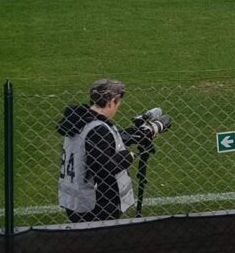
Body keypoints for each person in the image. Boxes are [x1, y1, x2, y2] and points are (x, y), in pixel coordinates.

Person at [57, 80, 169, 223]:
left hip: (77, 201)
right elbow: (104, 167)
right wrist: (128, 156)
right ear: (111, 102)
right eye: (118, 103)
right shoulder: (98, 130)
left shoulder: (80, 122)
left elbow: (99, 144)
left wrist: (132, 134)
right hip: (96, 205)